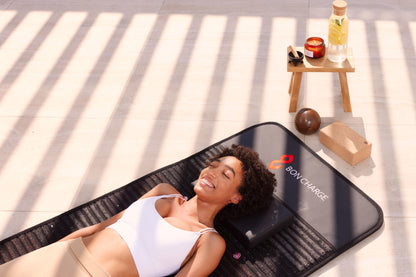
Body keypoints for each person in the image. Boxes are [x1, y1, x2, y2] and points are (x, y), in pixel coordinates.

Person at [0, 144, 276, 277]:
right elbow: (102, 227)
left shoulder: (209, 240)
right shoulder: (163, 190)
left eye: (225, 175)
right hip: (62, 256)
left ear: (237, 197)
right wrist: (52, 249)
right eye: (213, 165)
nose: (211, 173)